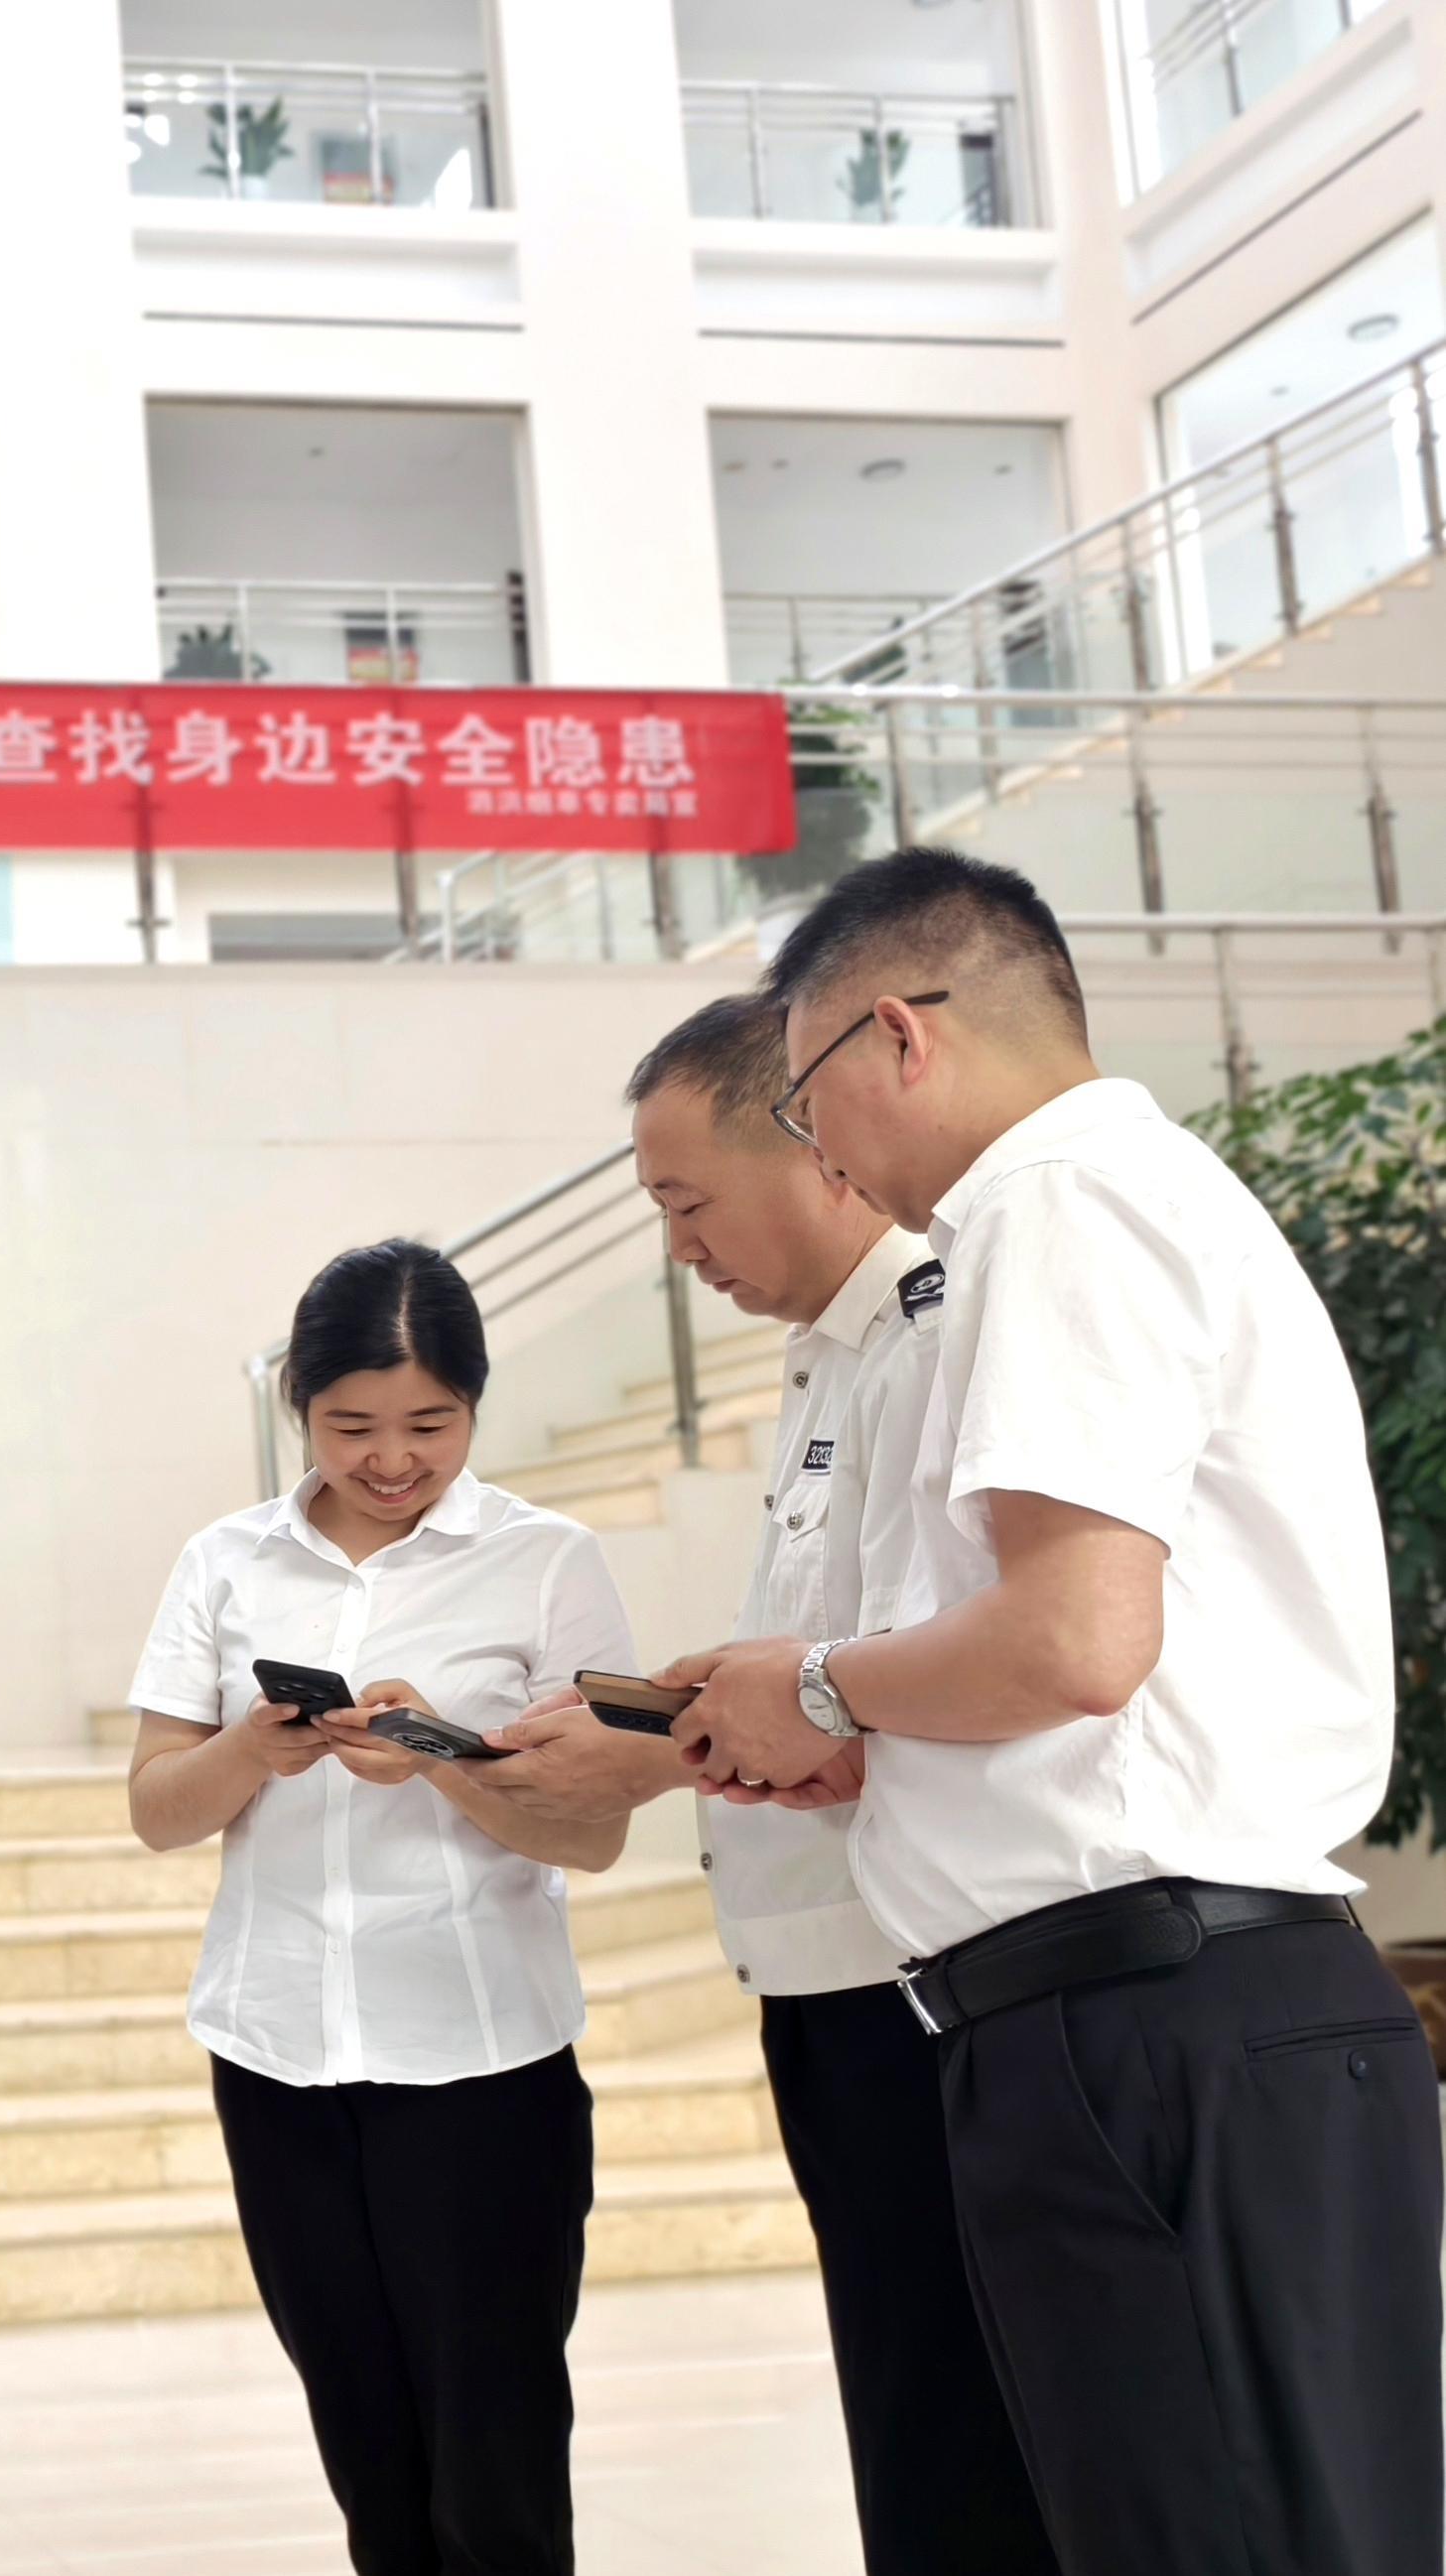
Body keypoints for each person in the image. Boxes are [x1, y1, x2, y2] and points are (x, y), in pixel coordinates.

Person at [675, 847, 1440, 2576]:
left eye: (802, 1101)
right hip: (1176, 2002)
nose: (818, 1151)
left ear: (896, 1035)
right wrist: (862, 1735)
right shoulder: (1118, 1195)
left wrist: (814, 1682)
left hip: (1141, 2012)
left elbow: (1073, 1640)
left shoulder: (1053, 1203)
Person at [471, 992, 1055, 2575]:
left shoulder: (926, 1342)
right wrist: (680, 1711)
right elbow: (831, 1657)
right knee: (907, 2414)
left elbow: (901, 1688)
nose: (678, 1251)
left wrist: (657, 1747)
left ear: (813, 1147)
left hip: (914, 1977)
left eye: (687, 1203)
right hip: (825, 1974)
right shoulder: (825, 1359)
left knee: (954, 2434)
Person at [123, 1239, 635, 2576]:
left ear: (474, 1405)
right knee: (367, 2457)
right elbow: (157, 1810)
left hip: (480, 2066)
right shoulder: (224, 1562)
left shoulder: (547, 1561)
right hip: (277, 2060)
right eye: (352, 1426)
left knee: (497, 2469)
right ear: (298, 1404)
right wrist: (250, 1749)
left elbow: (594, 1833)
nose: (392, 1458)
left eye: (430, 1424)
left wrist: (441, 1756)